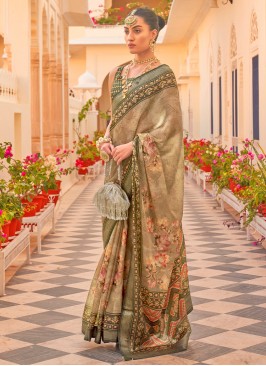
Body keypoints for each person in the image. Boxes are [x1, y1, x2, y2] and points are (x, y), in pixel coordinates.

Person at [82, 6, 193, 361]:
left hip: (146, 177)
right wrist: (105, 140)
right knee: (115, 243)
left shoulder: (163, 76)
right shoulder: (117, 75)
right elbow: (113, 121)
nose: (130, 37)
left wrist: (138, 145)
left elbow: (171, 131)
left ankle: (151, 326)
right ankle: (115, 323)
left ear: (154, 34)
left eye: (138, 31)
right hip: (118, 176)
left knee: (150, 245)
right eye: (126, 32)